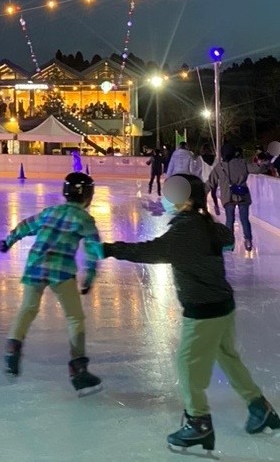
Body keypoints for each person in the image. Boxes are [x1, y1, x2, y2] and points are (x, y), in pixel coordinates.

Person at [103, 174, 279, 452]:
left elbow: (151, 251)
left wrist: (109, 248)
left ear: (186, 199)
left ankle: (198, 423)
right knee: (228, 358)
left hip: (204, 310)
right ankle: (260, 407)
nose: (167, 197)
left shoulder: (187, 230)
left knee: (186, 366)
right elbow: (224, 238)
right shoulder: (202, 223)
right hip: (222, 304)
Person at [0, 173, 103, 395]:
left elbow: (26, 226)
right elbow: (93, 249)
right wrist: (90, 275)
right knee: (74, 317)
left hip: (35, 264)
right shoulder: (85, 219)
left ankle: (12, 350)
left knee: (28, 308)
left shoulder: (51, 211)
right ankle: (78, 369)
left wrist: (8, 242)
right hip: (61, 270)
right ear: (88, 197)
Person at [207, 143, 264, 252]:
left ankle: (229, 243)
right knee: (244, 219)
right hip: (243, 195)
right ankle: (248, 241)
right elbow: (257, 169)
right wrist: (265, 164)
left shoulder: (220, 167)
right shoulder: (242, 163)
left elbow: (210, 182)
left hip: (228, 197)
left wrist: (200, 192)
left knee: (230, 220)